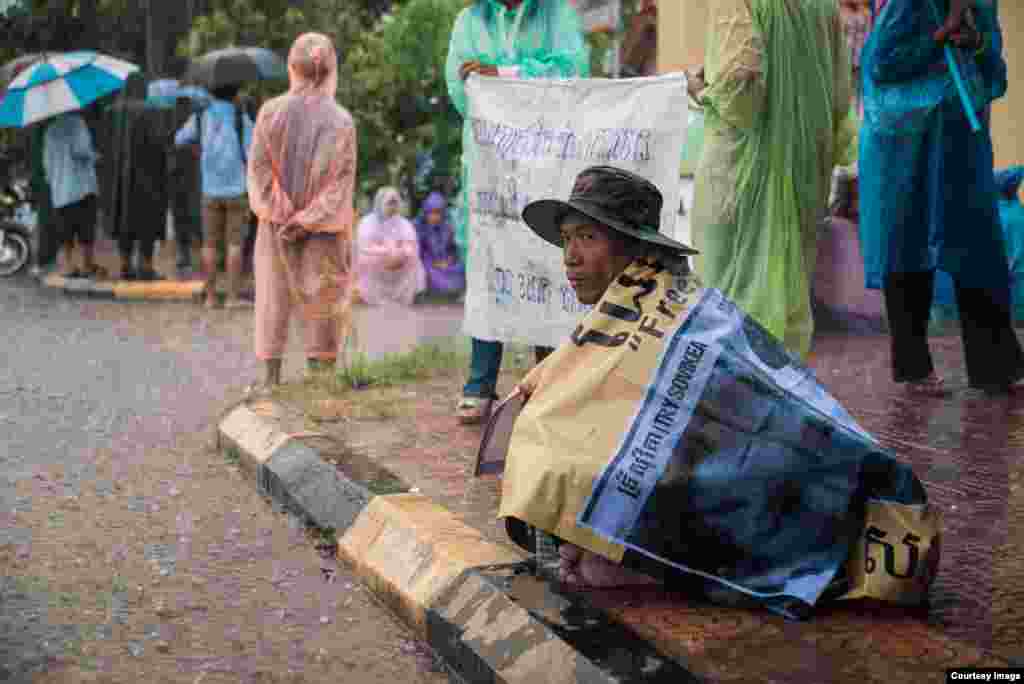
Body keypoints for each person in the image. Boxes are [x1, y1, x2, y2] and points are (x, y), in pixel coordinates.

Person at [500, 167, 937, 616]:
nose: (570, 257)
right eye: (566, 239)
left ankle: (650, 565)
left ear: (634, 247)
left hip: (810, 501)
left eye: (587, 238)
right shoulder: (629, 310)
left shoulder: (682, 314)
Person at [859, 0, 1024, 395]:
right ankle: (914, 367)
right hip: (905, 143)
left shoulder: (981, 5)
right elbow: (882, 64)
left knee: (976, 245)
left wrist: (976, 42)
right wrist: (939, 36)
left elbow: (996, 76)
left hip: (958, 136)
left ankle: (997, 366)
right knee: (907, 243)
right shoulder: (908, 4)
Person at [446, 0, 591, 424]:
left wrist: (505, 75)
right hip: (490, 166)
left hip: (547, 160)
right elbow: (460, 91)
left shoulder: (556, 15)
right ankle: (479, 384)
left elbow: (571, 72)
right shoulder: (470, 21)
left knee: (546, 261)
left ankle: (547, 380)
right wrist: (488, 87)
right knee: (490, 265)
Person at [688, 0, 852, 361]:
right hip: (806, 165)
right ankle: (778, 385)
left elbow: (740, 81)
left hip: (741, 171)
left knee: (730, 295)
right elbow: (841, 94)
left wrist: (702, 90)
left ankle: (739, 388)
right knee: (788, 289)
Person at [248, 32, 357, 388]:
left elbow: (259, 172)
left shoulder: (270, 113)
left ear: (292, 66)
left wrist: (283, 214)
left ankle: (270, 381)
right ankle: (321, 384)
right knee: (323, 303)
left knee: (273, 298)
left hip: (276, 228)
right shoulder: (341, 121)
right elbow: (340, 184)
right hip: (322, 231)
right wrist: (308, 219)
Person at [175, 83, 254, 308]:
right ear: (234, 94)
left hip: (209, 189)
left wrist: (198, 149)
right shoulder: (242, 119)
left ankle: (210, 297)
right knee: (234, 244)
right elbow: (253, 152)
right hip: (237, 190)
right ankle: (232, 297)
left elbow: (179, 139)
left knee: (209, 245)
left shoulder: (200, 118)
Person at [106, 87, 170, 281]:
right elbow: (158, 142)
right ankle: (146, 266)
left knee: (123, 222)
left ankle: (125, 265)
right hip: (148, 177)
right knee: (147, 223)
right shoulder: (151, 110)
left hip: (120, 179)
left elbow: (105, 145)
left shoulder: (112, 111)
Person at [42, 111, 101, 279]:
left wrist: (53, 180)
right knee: (86, 228)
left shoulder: (50, 130)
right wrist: (95, 156)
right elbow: (81, 151)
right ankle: (87, 266)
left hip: (60, 190)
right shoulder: (78, 123)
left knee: (65, 230)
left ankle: (68, 266)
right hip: (81, 187)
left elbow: (46, 162)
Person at [355, 188, 427, 307]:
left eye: (395, 203)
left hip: (398, 259)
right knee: (365, 261)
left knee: (414, 260)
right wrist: (385, 254)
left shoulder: (404, 223)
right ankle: (371, 296)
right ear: (380, 203)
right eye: (390, 203)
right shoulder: (367, 222)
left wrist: (401, 254)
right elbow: (364, 247)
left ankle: (411, 295)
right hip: (376, 259)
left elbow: (410, 244)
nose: (393, 207)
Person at [414, 191, 465, 296]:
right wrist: (434, 263)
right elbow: (418, 252)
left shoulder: (448, 227)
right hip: (428, 263)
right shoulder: (420, 227)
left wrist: (448, 261)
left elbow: (453, 249)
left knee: (460, 269)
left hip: (446, 262)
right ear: (425, 212)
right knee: (430, 274)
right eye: (431, 213)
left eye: (438, 213)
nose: (434, 216)